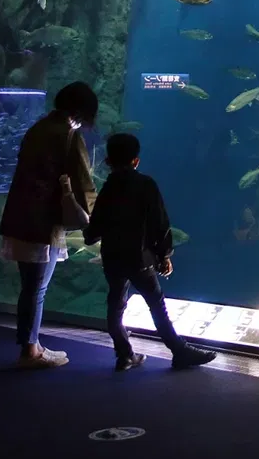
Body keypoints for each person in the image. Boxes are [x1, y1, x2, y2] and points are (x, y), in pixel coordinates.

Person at [85, 133, 215, 371]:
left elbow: (93, 230)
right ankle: (179, 351)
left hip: (112, 258)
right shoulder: (146, 185)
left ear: (108, 161)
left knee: (115, 304)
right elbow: (160, 224)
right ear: (136, 160)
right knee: (156, 304)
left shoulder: (107, 189)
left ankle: (124, 355)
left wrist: (92, 235)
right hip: (139, 258)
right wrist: (164, 255)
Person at [0, 80, 98, 368]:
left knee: (30, 285)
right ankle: (29, 351)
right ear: (82, 109)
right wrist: (96, 220)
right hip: (42, 221)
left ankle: (33, 345)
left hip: (19, 214)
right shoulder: (67, 135)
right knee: (36, 288)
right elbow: (83, 183)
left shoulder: (38, 129)